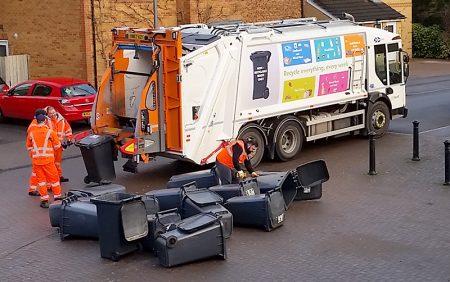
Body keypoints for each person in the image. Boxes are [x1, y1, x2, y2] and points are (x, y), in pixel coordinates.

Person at [26, 109, 62, 208]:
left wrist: (34, 154)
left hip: (37, 161)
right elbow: (57, 145)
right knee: (54, 179)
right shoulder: (50, 132)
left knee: (41, 181)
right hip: (48, 161)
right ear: (45, 119)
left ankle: (44, 200)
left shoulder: (32, 133)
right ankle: (57, 197)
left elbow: (29, 146)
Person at [45, 106, 73, 182]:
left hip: (59, 146)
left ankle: (59, 176)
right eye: (50, 113)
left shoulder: (62, 120)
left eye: (53, 112)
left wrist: (69, 139)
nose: (53, 114)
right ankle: (54, 178)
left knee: (57, 163)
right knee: (52, 163)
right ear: (47, 114)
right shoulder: (46, 121)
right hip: (50, 146)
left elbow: (68, 130)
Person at [27, 109, 48, 196]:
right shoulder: (35, 126)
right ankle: (34, 189)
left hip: (36, 152)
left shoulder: (34, 124)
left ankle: (32, 189)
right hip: (38, 153)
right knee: (39, 172)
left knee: (35, 172)